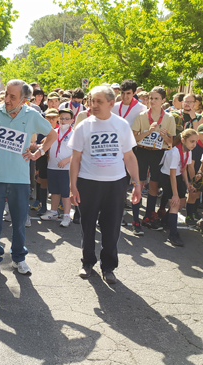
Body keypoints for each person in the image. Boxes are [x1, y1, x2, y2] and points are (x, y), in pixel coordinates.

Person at [0, 79, 57, 278]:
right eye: (6, 94)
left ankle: (18, 258)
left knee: (18, 222)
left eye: (12, 96)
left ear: (24, 99)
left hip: (20, 179)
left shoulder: (32, 115)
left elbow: (52, 135)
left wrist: (38, 153)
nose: (6, 99)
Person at [69, 85, 141, 285]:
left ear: (111, 103)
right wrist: (73, 186)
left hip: (115, 184)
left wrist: (136, 183)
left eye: (99, 101)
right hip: (88, 183)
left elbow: (129, 156)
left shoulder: (122, 125)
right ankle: (87, 262)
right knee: (87, 225)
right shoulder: (83, 126)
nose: (94, 105)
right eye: (92, 101)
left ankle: (108, 267)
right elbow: (75, 159)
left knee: (112, 227)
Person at [130, 87, 176, 234]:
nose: (152, 101)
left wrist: (164, 136)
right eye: (151, 98)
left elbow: (170, 144)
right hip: (142, 152)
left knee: (154, 186)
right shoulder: (142, 116)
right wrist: (147, 132)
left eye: (156, 98)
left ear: (163, 100)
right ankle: (135, 219)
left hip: (158, 153)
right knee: (139, 184)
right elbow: (134, 139)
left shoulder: (169, 118)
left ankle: (148, 216)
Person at [160, 129, 198, 246]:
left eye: (196, 141)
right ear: (183, 140)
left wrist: (187, 183)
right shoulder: (175, 152)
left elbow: (184, 169)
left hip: (178, 176)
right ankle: (173, 235)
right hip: (167, 177)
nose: (194, 144)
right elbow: (171, 175)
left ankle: (165, 221)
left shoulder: (188, 151)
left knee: (181, 203)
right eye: (191, 141)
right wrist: (175, 194)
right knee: (175, 204)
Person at [40, 108, 75, 227]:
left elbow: (78, 152)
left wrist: (66, 160)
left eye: (66, 119)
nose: (63, 121)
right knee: (54, 191)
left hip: (66, 168)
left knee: (65, 193)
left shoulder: (74, 134)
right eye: (61, 119)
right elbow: (45, 145)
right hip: (52, 166)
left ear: (72, 120)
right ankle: (53, 212)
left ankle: (66, 216)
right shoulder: (53, 132)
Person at [30, 108, 59, 214]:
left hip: (57, 160)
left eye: (53, 118)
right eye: (48, 118)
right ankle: (42, 204)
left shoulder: (60, 131)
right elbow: (37, 146)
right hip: (42, 159)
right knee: (42, 181)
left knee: (57, 183)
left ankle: (57, 206)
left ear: (57, 118)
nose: (51, 120)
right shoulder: (41, 131)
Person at [186, 123, 203, 228]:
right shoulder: (195, 146)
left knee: (198, 194)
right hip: (194, 174)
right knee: (192, 194)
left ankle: (194, 211)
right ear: (198, 134)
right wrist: (194, 180)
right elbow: (191, 165)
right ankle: (189, 216)